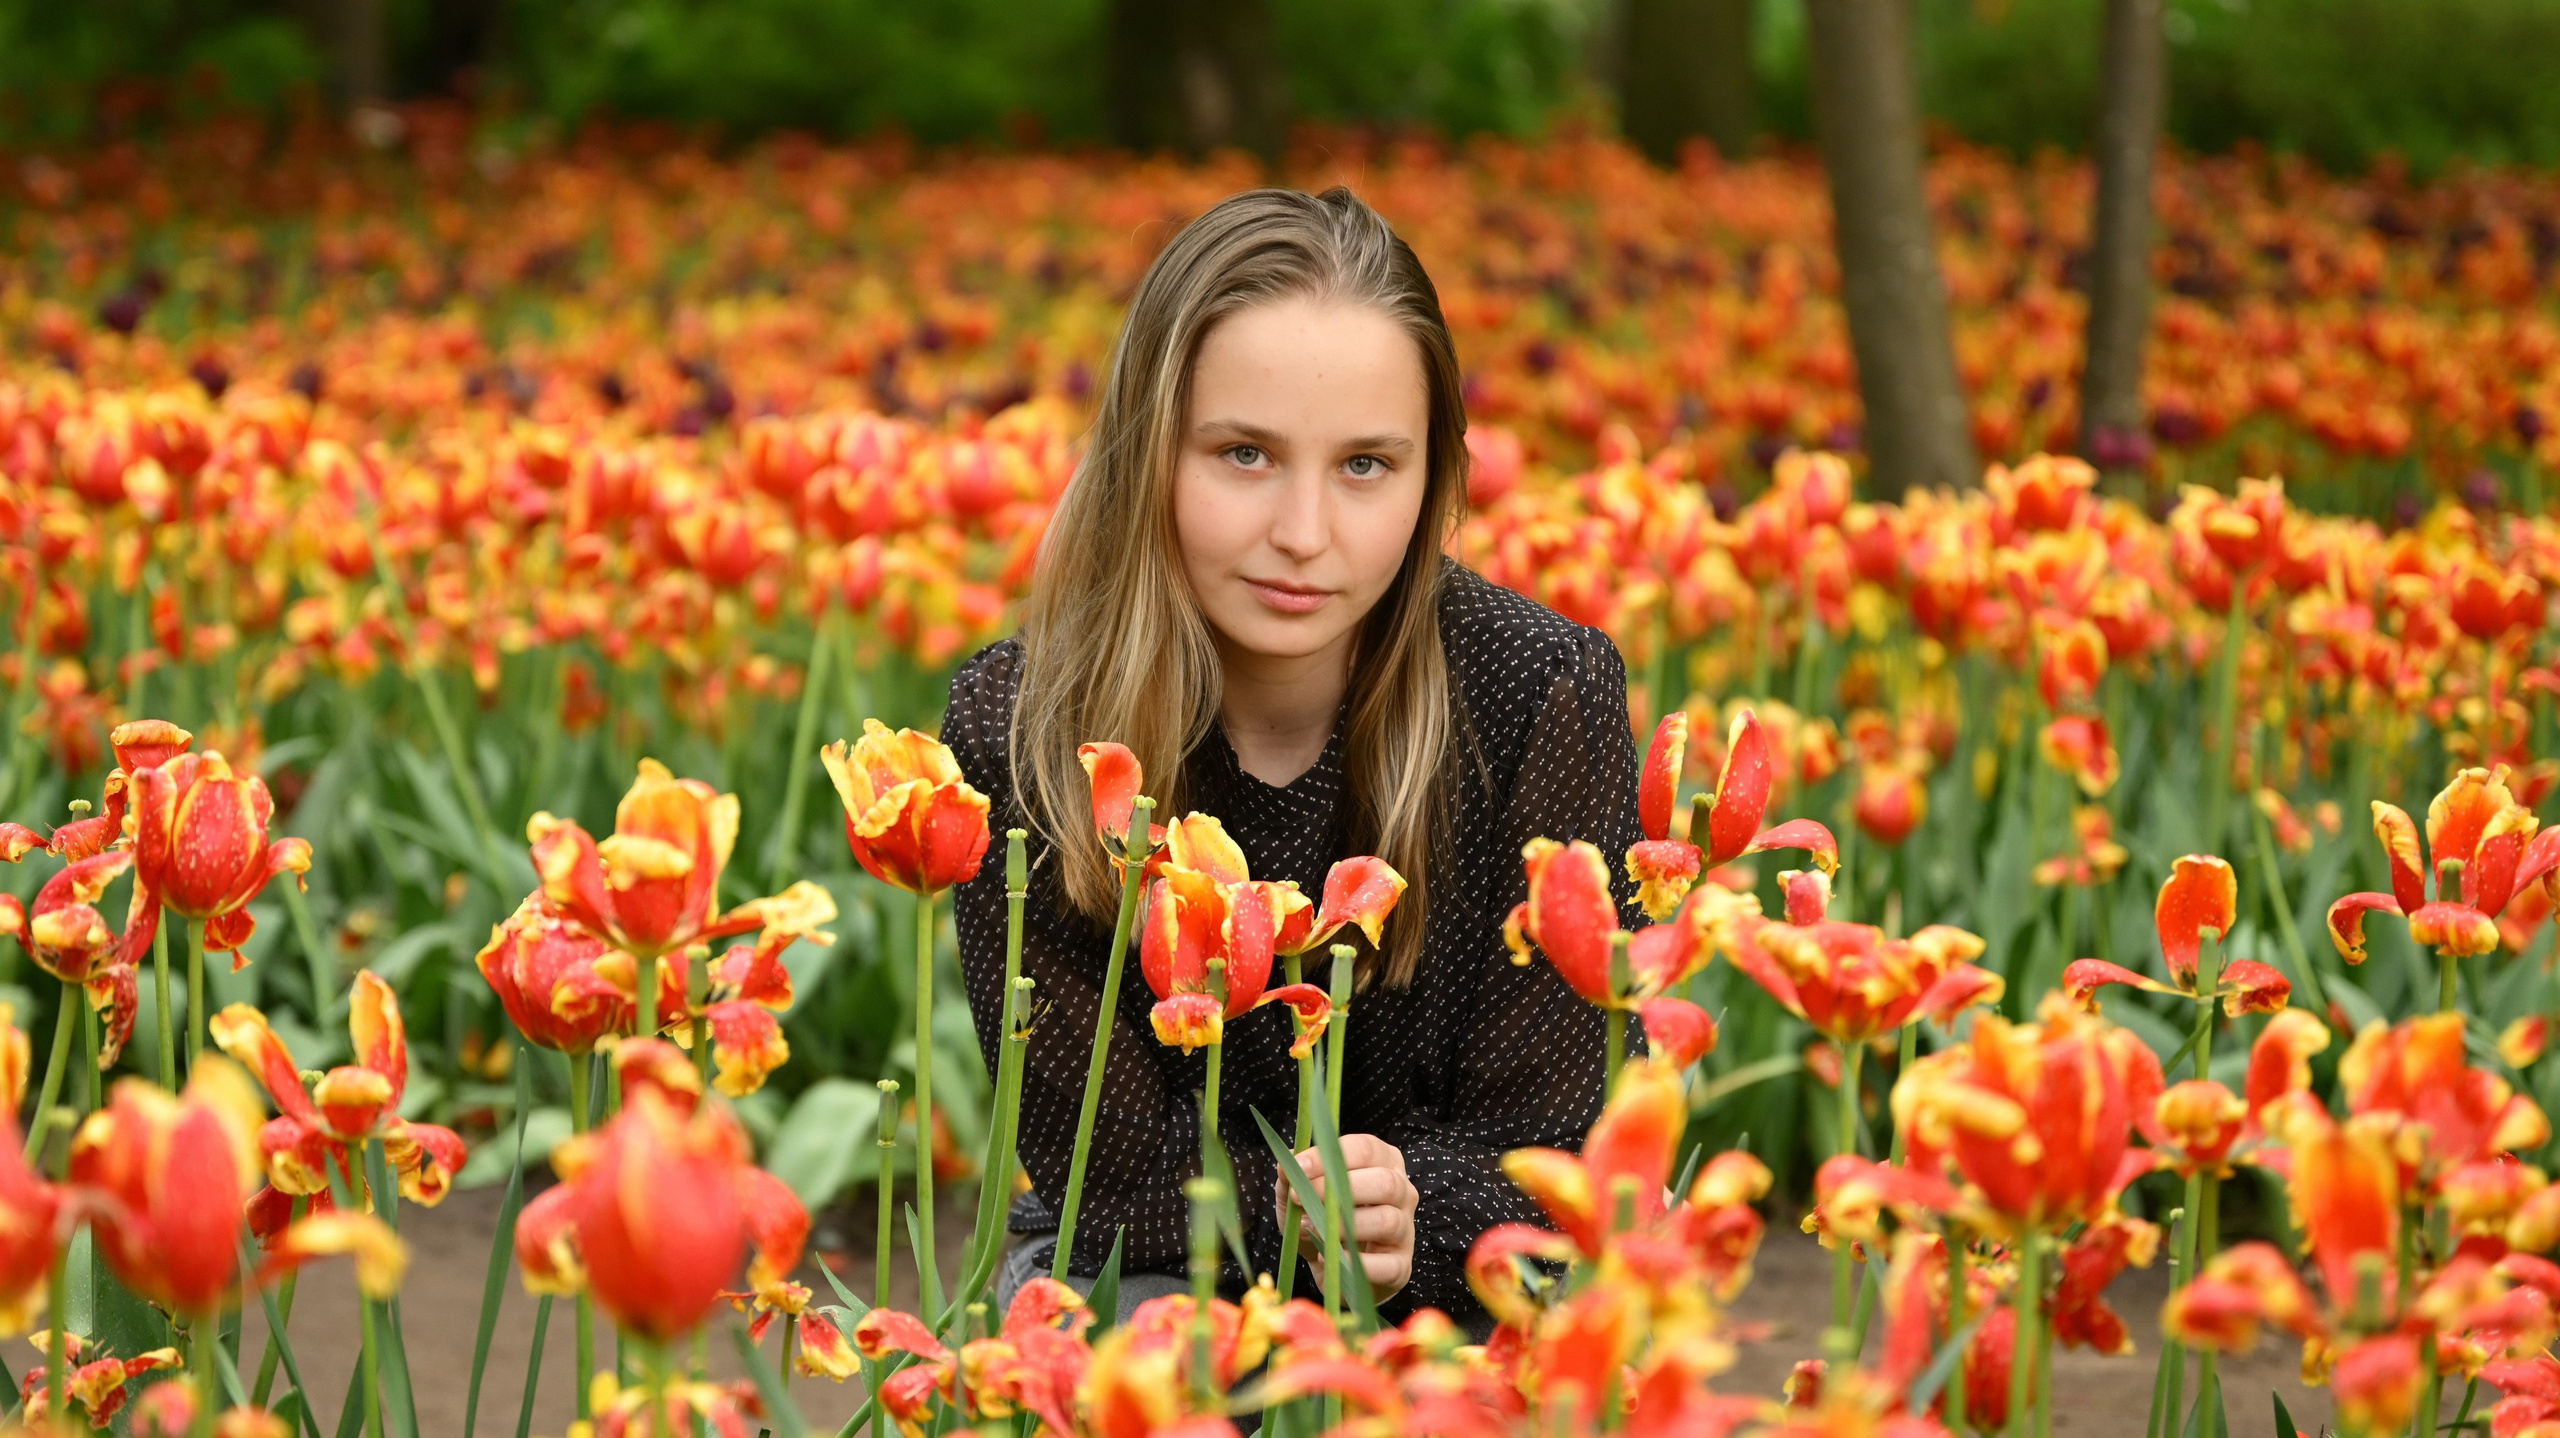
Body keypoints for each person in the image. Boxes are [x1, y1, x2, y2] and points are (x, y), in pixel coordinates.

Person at [943, 185, 1642, 1335]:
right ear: (1145, 453)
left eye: (1366, 465)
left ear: (1434, 481)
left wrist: (1416, 1214)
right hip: (1158, 1284)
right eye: (1245, 454)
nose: (1305, 533)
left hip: (1457, 1288)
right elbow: (1100, 1177)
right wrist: (1301, 1210)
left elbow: (1564, 1142)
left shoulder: (1536, 692)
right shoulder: (1028, 722)